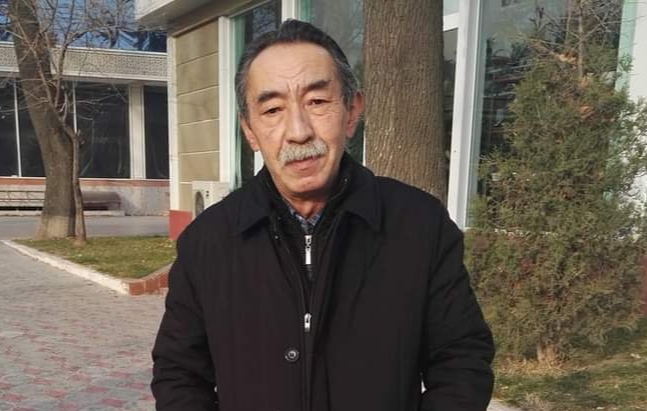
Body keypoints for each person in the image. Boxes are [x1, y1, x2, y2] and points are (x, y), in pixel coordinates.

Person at [152, 19, 495, 411]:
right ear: (249, 131)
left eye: (317, 102)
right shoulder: (207, 242)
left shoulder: (419, 226)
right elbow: (179, 375)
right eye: (273, 109)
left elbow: (461, 361)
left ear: (352, 111)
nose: (298, 132)